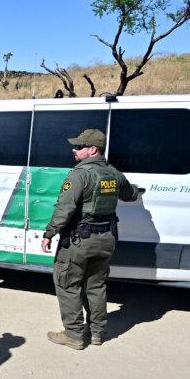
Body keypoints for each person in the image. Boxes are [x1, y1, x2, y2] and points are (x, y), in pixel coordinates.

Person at [40, 129, 139, 349]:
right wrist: (137, 191)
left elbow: (64, 208)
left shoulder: (79, 174)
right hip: (106, 238)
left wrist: (50, 233)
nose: (74, 150)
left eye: (79, 147)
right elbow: (130, 195)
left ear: (93, 149)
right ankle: (96, 333)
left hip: (80, 240)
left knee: (68, 284)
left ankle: (74, 335)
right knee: (95, 285)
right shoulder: (113, 173)